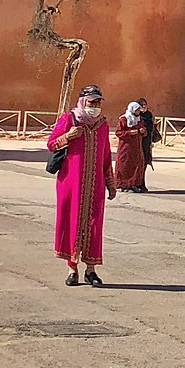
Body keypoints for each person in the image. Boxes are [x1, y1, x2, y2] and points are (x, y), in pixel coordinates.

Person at [46, 85, 115, 287]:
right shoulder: (70, 119)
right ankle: (72, 268)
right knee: (71, 221)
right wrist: (67, 136)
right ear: (83, 101)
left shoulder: (101, 125)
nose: (94, 106)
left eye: (97, 103)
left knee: (93, 225)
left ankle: (91, 270)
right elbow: (51, 144)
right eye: (91, 102)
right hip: (71, 184)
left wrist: (110, 183)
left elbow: (105, 155)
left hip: (95, 186)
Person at [114, 101, 149, 193]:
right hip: (126, 148)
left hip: (137, 147)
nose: (138, 111)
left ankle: (133, 184)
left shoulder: (139, 119)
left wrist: (143, 131)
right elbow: (118, 133)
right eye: (137, 110)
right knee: (125, 165)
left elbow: (144, 132)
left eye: (139, 110)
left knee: (136, 165)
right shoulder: (124, 119)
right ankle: (123, 185)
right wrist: (131, 132)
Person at [137, 97, 158, 183]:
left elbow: (154, 126)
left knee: (145, 162)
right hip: (138, 142)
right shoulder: (135, 115)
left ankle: (142, 183)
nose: (143, 107)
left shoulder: (149, 115)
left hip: (147, 142)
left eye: (145, 105)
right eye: (141, 105)